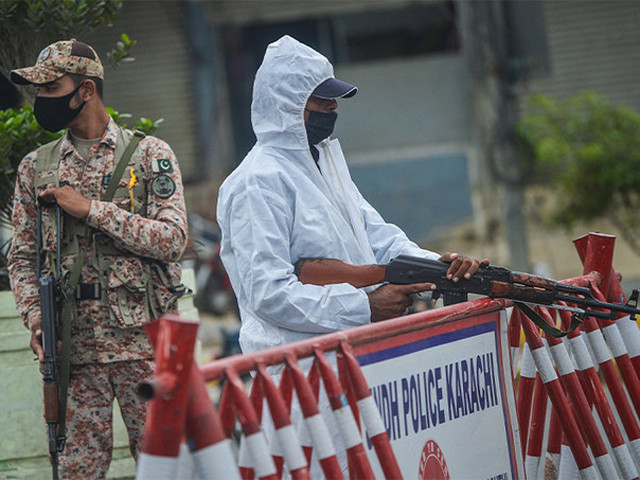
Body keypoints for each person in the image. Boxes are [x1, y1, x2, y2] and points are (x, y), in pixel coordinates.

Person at [216, 35, 488, 474]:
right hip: (296, 381)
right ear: (288, 104)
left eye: (333, 101)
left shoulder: (324, 161)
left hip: (352, 367)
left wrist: (437, 267)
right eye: (321, 102)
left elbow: (379, 237)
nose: (332, 110)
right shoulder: (256, 183)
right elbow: (268, 292)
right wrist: (364, 306)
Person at [7, 39, 188, 478]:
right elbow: (23, 257)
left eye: (52, 88)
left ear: (86, 90)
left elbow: (173, 239)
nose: (42, 99)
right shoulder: (36, 168)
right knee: (76, 472)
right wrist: (37, 322)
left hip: (146, 347)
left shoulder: (149, 156)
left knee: (165, 467)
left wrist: (93, 209)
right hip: (74, 352)